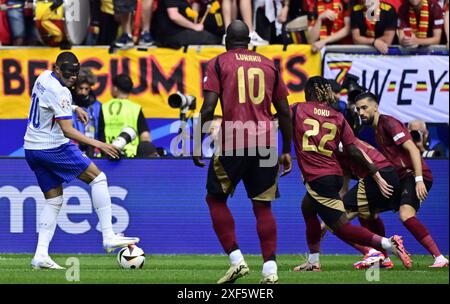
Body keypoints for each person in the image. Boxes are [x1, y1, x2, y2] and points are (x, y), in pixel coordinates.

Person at [193, 20, 293, 284]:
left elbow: (208, 107)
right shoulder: (269, 64)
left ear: (227, 40)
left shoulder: (218, 62)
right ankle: (270, 270)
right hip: (267, 143)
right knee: (263, 207)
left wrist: (196, 141)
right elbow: (284, 111)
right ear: (249, 41)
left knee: (215, 200)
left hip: (234, 140)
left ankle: (237, 260)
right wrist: (287, 151)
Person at [23, 52, 139, 269]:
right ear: (57, 69)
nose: (73, 77)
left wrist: (74, 108)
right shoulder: (62, 91)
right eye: (68, 73)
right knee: (98, 178)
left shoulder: (43, 78)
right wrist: (100, 144)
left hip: (32, 148)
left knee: (54, 200)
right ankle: (108, 236)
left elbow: (48, 103)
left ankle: (40, 255)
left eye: (75, 73)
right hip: (52, 146)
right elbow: (67, 131)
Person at [290, 77, 411, 272]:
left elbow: (276, 120)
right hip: (334, 175)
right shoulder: (338, 117)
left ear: (310, 91)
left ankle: (386, 245)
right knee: (308, 209)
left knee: (340, 226)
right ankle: (313, 261)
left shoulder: (297, 109)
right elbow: (354, 150)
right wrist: (374, 174)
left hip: (319, 176)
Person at [354, 92, 449, 268]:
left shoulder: (389, 123)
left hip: (412, 175)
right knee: (367, 212)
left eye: (364, 107)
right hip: (399, 179)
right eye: (358, 109)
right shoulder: (377, 130)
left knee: (406, 215)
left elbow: (412, 148)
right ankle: (385, 258)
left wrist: (419, 179)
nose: (361, 112)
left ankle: (440, 258)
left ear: (375, 106)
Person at [98, 74, 155, 158]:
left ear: (115, 88)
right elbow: (145, 136)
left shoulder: (104, 107)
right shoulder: (135, 108)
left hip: (108, 154)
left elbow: (99, 134)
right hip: (132, 156)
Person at [152, 0, 221, 48]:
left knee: (211, 37)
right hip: (171, 36)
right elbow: (174, 15)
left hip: (177, 32)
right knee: (211, 39)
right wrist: (194, 26)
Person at [71, 67, 102, 157]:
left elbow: (101, 131)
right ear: (75, 87)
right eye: (80, 88)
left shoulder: (98, 106)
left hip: (93, 152)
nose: (83, 92)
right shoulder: (68, 104)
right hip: (72, 150)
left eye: (86, 89)